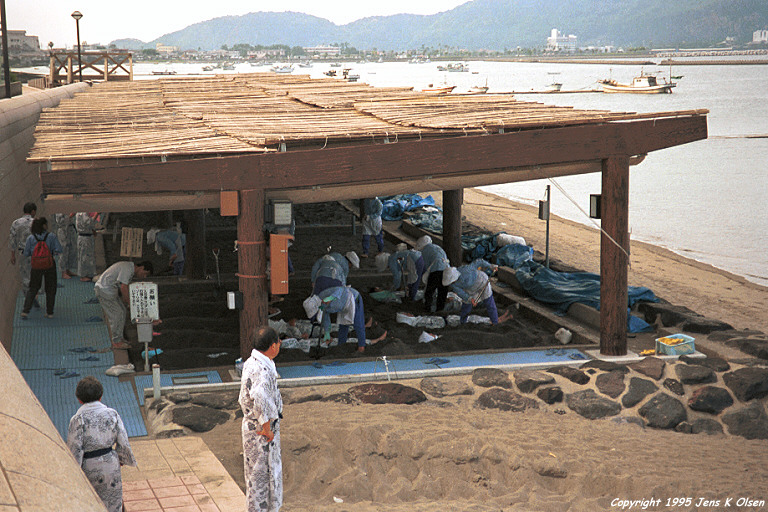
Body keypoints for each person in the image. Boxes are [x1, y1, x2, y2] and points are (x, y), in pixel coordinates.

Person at [67, 376, 136, 512]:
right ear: (101, 396)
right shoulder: (112, 414)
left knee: (90, 502)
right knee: (113, 501)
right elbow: (123, 439)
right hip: (110, 463)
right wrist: (121, 458)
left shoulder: (77, 419)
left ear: (79, 399)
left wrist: (74, 471)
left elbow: (75, 447)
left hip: (88, 465)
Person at [239, 326, 284, 512]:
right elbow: (260, 396)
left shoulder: (253, 361)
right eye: (279, 342)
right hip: (260, 431)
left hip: (257, 428)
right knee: (260, 480)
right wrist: (266, 427)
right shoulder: (261, 369)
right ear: (273, 346)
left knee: (260, 477)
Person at [94, 260, 153, 349]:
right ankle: (116, 341)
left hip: (109, 290)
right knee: (116, 315)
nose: (144, 276)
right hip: (104, 290)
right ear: (142, 267)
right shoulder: (128, 269)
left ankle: (119, 338)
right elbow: (123, 287)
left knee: (122, 311)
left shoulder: (129, 268)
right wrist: (129, 303)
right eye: (145, 273)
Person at [304, 285, 368, 352]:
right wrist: (327, 332)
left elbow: (341, 289)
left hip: (351, 298)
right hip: (342, 306)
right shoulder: (322, 306)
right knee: (343, 324)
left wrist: (331, 297)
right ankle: (341, 346)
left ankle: (361, 346)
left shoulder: (323, 295)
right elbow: (325, 317)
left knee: (358, 323)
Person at [20, 217, 62, 319]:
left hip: (36, 266)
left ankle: (25, 310)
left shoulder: (31, 238)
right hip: (49, 264)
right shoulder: (51, 236)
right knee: (51, 288)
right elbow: (59, 249)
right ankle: (49, 312)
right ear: (44, 225)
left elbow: (26, 253)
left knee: (33, 288)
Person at [443, 265, 511, 325]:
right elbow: (462, 294)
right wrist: (470, 299)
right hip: (471, 289)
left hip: (482, 281)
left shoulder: (465, 269)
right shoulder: (455, 285)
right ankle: (463, 321)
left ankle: (495, 321)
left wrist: (491, 266)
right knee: (466, 305)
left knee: (489, 302)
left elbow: (479, 262)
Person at [8, 202, 36, 300]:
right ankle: (34, 294)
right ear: (32, 211)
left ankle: (27, 296)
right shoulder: (36, 222)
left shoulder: (16, 223)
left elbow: (12, 240)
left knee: (24, 275)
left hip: (23, 252)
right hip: (35, 253)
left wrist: (12, 255)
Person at [416, 235, 450, 313]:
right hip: (446, 270)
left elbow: (427, 266)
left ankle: (428, 308)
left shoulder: (425, 251)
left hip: (436, 271)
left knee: (429, 291)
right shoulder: (437, 247)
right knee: (442, 291)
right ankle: (440, 309)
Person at [75, 212, 100, 281]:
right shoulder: (82, 213)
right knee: (84, 257)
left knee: (88, 256)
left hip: (87, 236)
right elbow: (89, 222)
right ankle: (83, 276)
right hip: (84, 237)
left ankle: (89, 273)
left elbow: (88, 225)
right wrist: (97, 214)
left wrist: (93, 231)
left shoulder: (82, 213)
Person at [54, 212, 78, 279]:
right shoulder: (59, 209)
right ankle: (63, 272)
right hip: (63, 230)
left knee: (71, 249)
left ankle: (68, 269)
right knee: (63, 251)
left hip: (70, 229)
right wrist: (70, 216)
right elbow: (60, 222)